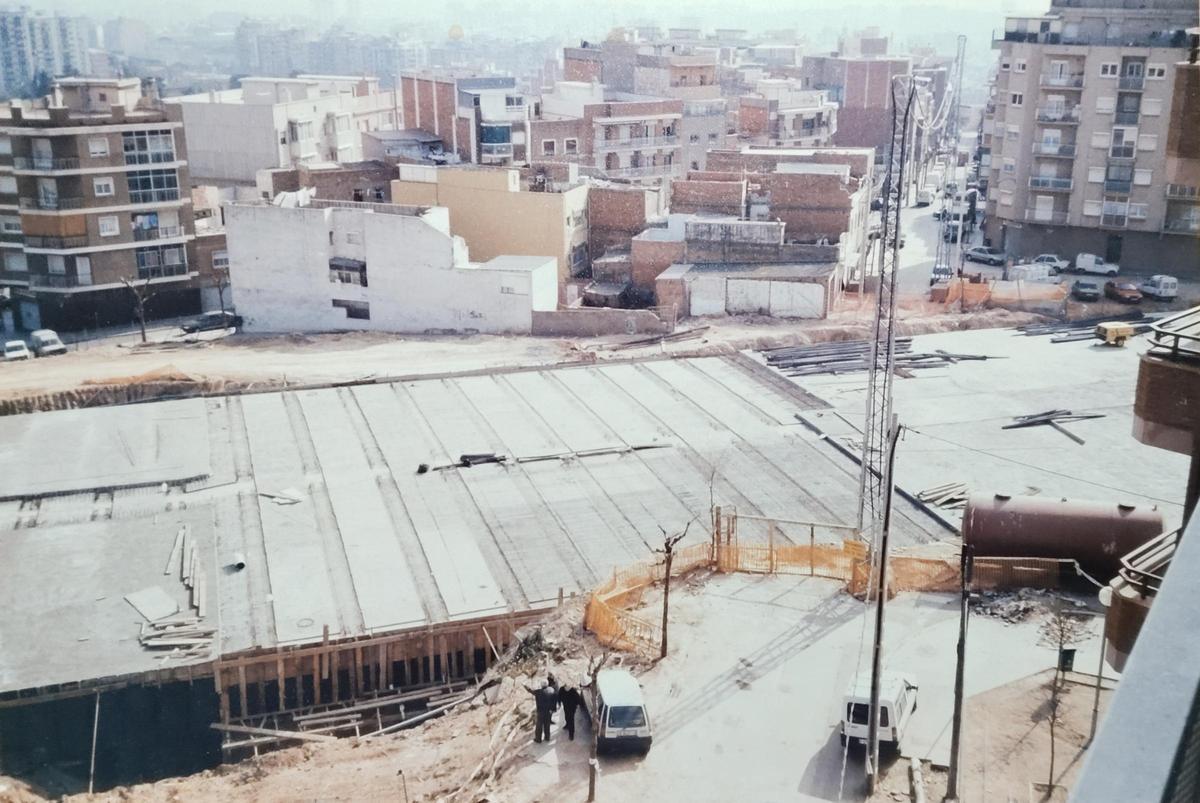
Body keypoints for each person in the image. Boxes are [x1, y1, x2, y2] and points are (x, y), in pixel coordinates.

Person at [525, 674, 559, 743]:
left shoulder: (538, 692)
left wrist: (525, 686)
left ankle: (538, 739)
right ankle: (547, 737)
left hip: (541, 712)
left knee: (539, 726)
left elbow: (531, 690)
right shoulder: (552, 690)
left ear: (541, 685)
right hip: (549, 711)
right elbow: (555, 700)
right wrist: (553, 709)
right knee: (547, 725)